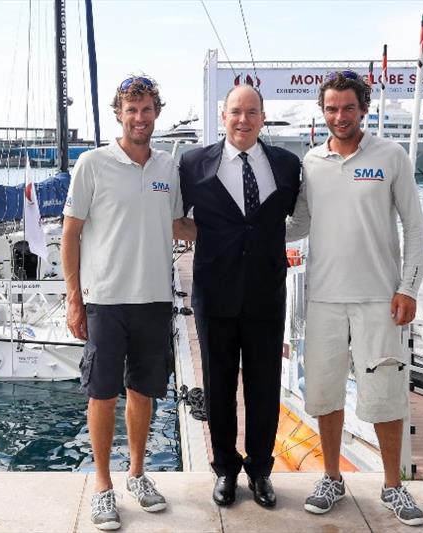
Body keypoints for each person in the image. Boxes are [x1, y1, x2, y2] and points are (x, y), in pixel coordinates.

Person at [286, 71, 423, 526]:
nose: (339, 116)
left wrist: (409, 287)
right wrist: (240, 230)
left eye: (348, 107)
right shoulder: (311, 161)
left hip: (379, 299)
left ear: (363, 108)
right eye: (331, 108)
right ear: (322, 111)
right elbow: (299, 225)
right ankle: (331, 477)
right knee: (325, 393)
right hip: (323, 298)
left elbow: (416, 227)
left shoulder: (391, 155)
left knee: (385, 394)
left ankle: (393, 485)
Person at [62, 75, 192, 531]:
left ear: (157, 113)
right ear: (119, 114)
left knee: (143, 391)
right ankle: (102, 485)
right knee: (102, 393)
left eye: (147, 109)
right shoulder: (92, 164)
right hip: (105, 300)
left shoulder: (167, 168)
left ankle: (137, 474)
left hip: (154, 298)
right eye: (131, 110)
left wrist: (236, 229)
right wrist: (74, 300)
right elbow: (71, 234)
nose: (140, 118)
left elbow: (178, 225)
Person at [178, 84, 301, 508]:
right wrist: (211, 237)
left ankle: (262, 470)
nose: (243, 119)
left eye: (251, 111)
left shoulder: (287, 165)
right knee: (218, 387)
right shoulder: (193, 164)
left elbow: (297, 220)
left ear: (263, 117)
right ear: (223, 116)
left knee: (265, 386)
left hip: (266, 293)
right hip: (214, 293)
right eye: (235, 111)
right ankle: (226, 470)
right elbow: (175, 219)